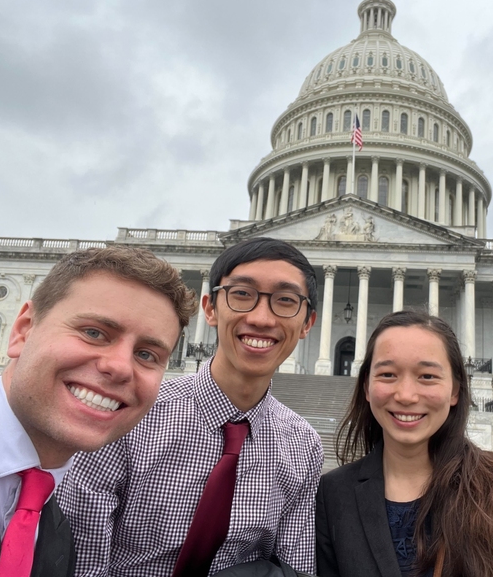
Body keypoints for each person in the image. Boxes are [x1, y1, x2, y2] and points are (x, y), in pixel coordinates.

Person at [58, 237, 323, 576]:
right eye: (242, 294)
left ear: (307, 324)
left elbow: (293, 570)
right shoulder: (128, 415)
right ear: (210, 308)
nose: (261, 318)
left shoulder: (303, 446)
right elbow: (81, 563)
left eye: (285, 301)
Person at [0, 246, 198, 577]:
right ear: (23, 331)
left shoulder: (58, 543)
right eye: (94, 333)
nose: (119, 368)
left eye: (146, 355)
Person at [316, 310, 493, 577]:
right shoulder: (333, 495)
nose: (405, 396)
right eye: (388, 374)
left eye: (427, 376)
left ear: (455, 391)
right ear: (366, 387)